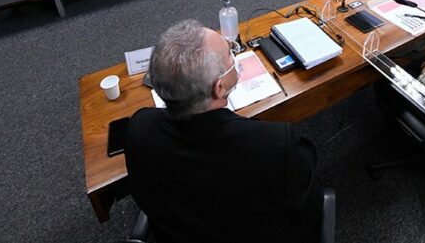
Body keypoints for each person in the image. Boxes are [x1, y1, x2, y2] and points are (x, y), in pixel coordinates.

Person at [125, 20, 322, 243]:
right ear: (219, 88)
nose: (234, 58)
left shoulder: (139, 128)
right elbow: (309, 199)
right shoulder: (274, 143)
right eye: (230, 53)